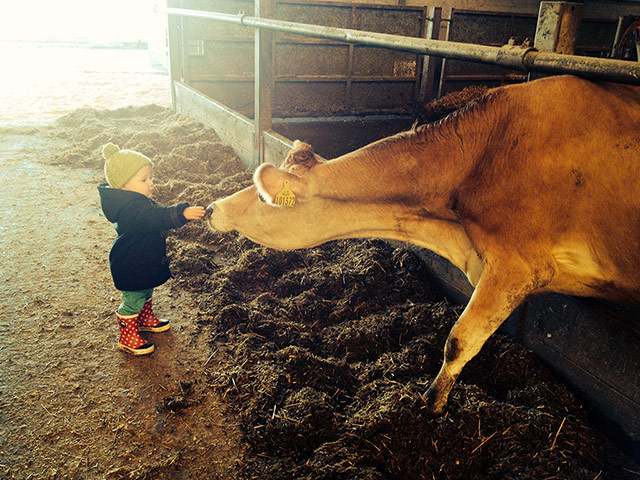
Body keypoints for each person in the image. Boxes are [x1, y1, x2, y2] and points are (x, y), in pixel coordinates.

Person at [97, 143, 206, 356]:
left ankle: (145, 319)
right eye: (144, 180)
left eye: (150, 178)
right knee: (133, 299)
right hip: (131, 263)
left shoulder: (137, 201)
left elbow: (153, 215)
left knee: (145, 290)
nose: (151, 184)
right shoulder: (131, 209)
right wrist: (180, 214)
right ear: (124, 186)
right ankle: (127, 337)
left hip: (142, 260)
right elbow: (155, 218)